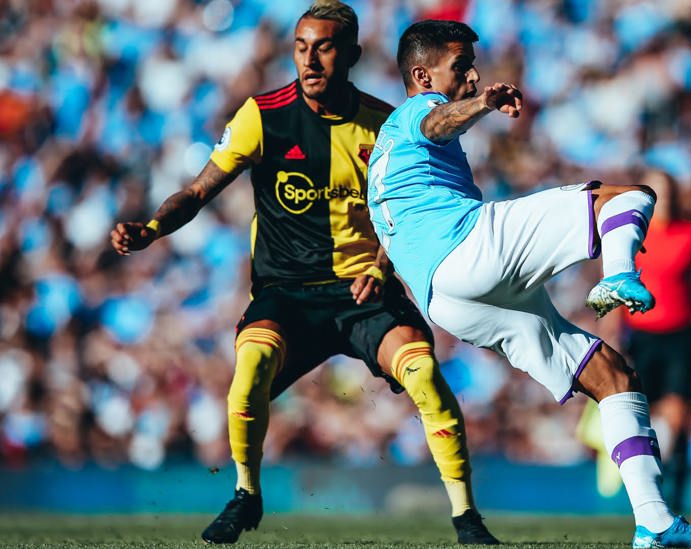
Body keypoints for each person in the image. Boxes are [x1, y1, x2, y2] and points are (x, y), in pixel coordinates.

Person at [109, 2, 497, 545]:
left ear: (354, 54)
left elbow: (404, 216)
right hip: (286, 294)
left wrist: (383, 269)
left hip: (364, 291)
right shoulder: (262, 115)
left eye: (325, 46)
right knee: (248, 372)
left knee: (425, 374)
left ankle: (466, 517)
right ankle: (246, 495)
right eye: (301, 46)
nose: (310, 59)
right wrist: (151, 229)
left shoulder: (385, 127)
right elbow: (198, 191)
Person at [367, 20, 691, 549]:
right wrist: (484, 104)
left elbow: (393, 222)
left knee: (613, 377)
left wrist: (379, 267)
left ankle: (654, 524)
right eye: (459, 66)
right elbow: (439, 119)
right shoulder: (414, 113)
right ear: (422, 75)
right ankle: (619, 277)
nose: (471, 74)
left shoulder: (384, 152)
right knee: (628, 197)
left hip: (445, 300)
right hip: (468, 249)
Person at [580, 170, 691, 512]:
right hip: (641, 337)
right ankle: (648, 488)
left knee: (677, 415)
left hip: (681, 336)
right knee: (638, 410)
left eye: (670, 190)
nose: (667, 199)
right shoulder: (634, 234)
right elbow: (617, 278)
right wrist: (611, 329)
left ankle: (673, 487)